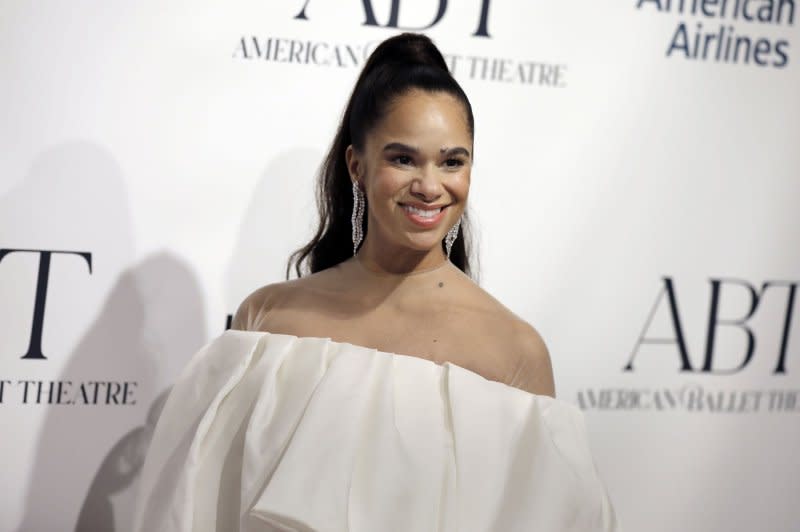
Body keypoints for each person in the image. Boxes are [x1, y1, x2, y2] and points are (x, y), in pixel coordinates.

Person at [132, 33, 619, 531]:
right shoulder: (268, 321)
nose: (431, 186)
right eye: (403, 158)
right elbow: (200, 504)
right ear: (357, 166)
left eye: (452, 161)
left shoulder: (516, 351)